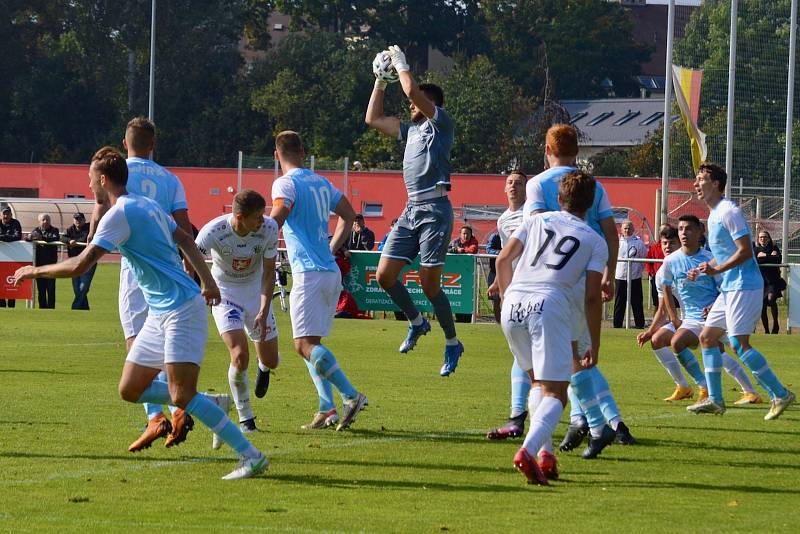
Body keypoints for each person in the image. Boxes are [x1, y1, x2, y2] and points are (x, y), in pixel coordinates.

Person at [13, 147, 268, 480]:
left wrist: (33, 271)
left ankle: (252, 456)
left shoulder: (119, 215)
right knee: (130, 390)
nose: (89, 185)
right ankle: (211, 404)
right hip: (159, 313)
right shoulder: (146, 204)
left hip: (181, 309)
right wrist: (208, 282)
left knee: (180, 394)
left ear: (103, 180)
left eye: (90, 179)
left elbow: (80, 265)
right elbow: (184, 238)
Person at [90, 117, 208, 452]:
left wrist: (90, 244)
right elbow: (185, 228)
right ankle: (180, 405)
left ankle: (156, 415)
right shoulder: (171, 179)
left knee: (136, 344)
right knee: (164, 345)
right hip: (168, 268)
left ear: (125, 143)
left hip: (134, 268)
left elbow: (102, 206)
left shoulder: (116, 171)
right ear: (153, 145)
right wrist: (192, 271)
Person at [524, 124, 634, 455]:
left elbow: (536, 230)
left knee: (568, 361)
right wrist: (609, 273)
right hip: (581, 272)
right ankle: (593, 422)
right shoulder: (593, 185)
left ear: (547, 150)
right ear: (577, 149)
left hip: (543, 281)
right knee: (574, 356)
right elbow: (611, 233)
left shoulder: (537, 184)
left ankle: (602, 424)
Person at [496, 171, 607, 485]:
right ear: (592, 204)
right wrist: (594, 344)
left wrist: (507, 299)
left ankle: (545, 456)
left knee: (536, 385)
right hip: (549, 302)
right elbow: (591, 297)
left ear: (559, 199)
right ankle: (528, 451)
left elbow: (503, 260)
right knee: (557, 393)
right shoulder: (595, 241)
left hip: (515, 300)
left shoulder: (534, 221)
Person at [365, 44, 464, 377]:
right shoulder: (410, 131)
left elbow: (410, 88)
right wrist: (380, 80)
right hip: (411, 209)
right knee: (384, 276)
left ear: (430, 103)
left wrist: (402, 63)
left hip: (435, 209)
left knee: (429, 284)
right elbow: (373, 118)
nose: (409, 103)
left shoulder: (441, 123)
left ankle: (452, 342)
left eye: (416, 101)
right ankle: (417, 322)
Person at [270, 130, 368, 431]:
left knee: (302, 344)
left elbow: (279, 214)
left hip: (309, 273)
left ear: (277, 155)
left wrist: (258, 237)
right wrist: (331, 248)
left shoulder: (285, 183)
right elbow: (349, 215)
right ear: (302, 151)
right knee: (311, 342)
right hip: (328, 270)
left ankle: (351, 395)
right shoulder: (321, 182)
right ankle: (327, 408)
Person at [691, 162, 794, 419]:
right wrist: (707, 266)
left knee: (738, 343)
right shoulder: (714, 215)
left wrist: (718, 268)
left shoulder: (729, 211)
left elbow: (745, 251)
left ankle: (780, 393)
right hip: (730, 287)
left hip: (744, 285)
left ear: (715, 184)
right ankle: (715, 400)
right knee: (707, 337)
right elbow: (724, 255)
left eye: (701, 179)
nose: (696, 184)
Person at [637, 222, 760, 404]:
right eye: (664, 243)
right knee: (659, 339)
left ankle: (753, 390)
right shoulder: (666, 268)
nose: (667, 247)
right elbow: (663, 304)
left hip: (715, 316)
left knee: (732, 348)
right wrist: (657, 327)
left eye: (671, 243)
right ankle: (686, 387)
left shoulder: (707, 259)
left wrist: (713, 307)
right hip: (689, 319)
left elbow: (725, 288)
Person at [196, 189, 282, 447]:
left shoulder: (268, 229)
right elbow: (191, 256)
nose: (262, 221)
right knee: (239, 354)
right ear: (240, 217)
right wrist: (205, 284)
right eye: (257, 217)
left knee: (271, 359)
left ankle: (263, 367)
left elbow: (268, 271)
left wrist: (264, 308)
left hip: (255, 292)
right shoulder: (213, 231)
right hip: (225, 295)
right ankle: (246, 417)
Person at [485, 171, 533, 441]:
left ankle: (585, 417)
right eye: (510, 183)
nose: (514, 187)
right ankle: (517, 414)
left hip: (535, 288)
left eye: (519, 183)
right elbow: (507, 257)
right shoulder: (503, 220)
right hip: (515, 291)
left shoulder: (533, 213)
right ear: (504, 189)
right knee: (520, 352)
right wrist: (500, 284)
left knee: (543, 354)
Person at [613, 220, 647, 328]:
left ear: (633, 229)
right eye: (625, 228)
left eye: (629, 228)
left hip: (634, 277)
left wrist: (637, 271)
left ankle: (640, 325)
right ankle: (617, 326)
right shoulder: (616, 242)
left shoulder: (639, 243)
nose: (627, 230)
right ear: (621, 229)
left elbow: (643, 258)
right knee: (619, 303)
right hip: (620, 277)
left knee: (637, 303)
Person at [62, 213, 95, 310]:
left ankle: (75, 308)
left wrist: (75, 241)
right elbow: (62, 238)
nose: (78, 221)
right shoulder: (70, 229)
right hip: (74, 262)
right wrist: (69, 241)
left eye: (80, 219)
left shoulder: (89, 229)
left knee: (83, 287)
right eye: (76, 219)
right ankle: (85, 309)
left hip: (88, 262)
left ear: (84, 220)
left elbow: (85, 239)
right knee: (77, 289)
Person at [27, 213, 60, 309]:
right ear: (39, 221)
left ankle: (51, 309)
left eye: (48, 219)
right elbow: (27, 239)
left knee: (51, 289)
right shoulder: (35, 231)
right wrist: (29, 237)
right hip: (39, 265)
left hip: (51, 265)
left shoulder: (54, 230)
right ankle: (42, 309)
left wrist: (42, 238)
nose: (46, 221)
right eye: (43, 219)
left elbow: (54, 238)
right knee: (41, 290)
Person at [754, 230, 785, 334]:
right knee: (762, 304)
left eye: (765, 237)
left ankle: (776, 325)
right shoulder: (756, 249)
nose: (763, 239)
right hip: (761, 281)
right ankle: (766, 330)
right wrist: (770, 257)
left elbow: (778, 260)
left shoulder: (774, 248)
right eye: (761, 237)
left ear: (769, 238)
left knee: (771, 298)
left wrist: (764, 257)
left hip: (773, 281)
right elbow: (756, 261)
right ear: (758, 239)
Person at [1, 206, 23, 308]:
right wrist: (7, 237)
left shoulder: (16, 223)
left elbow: (17, 236)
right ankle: (1, 307)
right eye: (4, 213)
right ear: (1, 215)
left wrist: (3, 237)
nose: (5, 216)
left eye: (7, 214)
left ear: (11, 215)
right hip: (1, 259)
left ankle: (11, 307)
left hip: (13, 258)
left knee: (11, 283)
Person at [645, 224, 670, 307]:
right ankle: (657, 319)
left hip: (671, 278)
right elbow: (648, 260)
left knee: (671, 304)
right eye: (662, 231)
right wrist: (651, 273)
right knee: (658, 305)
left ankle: (673, 319)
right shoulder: (654, 247)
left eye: (666, 231)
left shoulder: (675, 246)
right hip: (657, 278)